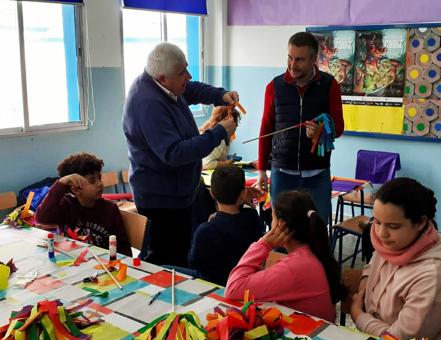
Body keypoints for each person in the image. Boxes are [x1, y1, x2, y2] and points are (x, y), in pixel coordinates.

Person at [122, 42, 239, 267]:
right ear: (163, 78)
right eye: (182, 72)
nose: (188, 75)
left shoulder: (165, 85)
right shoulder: (148, 103)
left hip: (179, 194)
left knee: (180, 255)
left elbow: (191, 89)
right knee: (168, 263)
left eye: (186, 68)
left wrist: (221, 95)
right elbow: (174, 153)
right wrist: (218, 133)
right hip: (161, 201)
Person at [350, 177, 441, 340]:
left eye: (393, 226)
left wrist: (358, 315)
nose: (381, 234)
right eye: (377, 222)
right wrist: (363, 287)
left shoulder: (434, 277)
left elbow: (400, 339)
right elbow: (372, 268)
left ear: (420, 222)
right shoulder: (393, 245)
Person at [256, 31, 344, 223]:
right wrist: (262, 170)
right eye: (289, 58)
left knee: (317, 229)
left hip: (318, 174)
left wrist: (322, 130)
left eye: (299, 60)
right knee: (281, 230)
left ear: (313, 59)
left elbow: (339, 127)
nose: (292, 65)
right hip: (282, 173)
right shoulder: (274, 86)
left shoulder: (329, 85)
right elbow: (265, 130)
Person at [225, 190, 345, 322]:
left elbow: (233, 288)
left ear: (280, 225)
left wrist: (264, 244)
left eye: (272, 217)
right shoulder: (312, 252)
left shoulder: (295, 267)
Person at [36, 152, 131, 256]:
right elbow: (42, 218)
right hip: (73, 261)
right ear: (76, 190)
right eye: (92, 181)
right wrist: (61, 184)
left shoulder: (110, 208)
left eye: (99, 178)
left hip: (104, 264)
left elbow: (122, 247)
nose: (99, 184)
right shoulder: (66, 205)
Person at [188, 166, 261, 285]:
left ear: (211, 193)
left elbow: (193, 262)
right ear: (243, 194)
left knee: (165, 267)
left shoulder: (205, 230)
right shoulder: (252, 217)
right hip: (241, 282)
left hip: (208, 283)